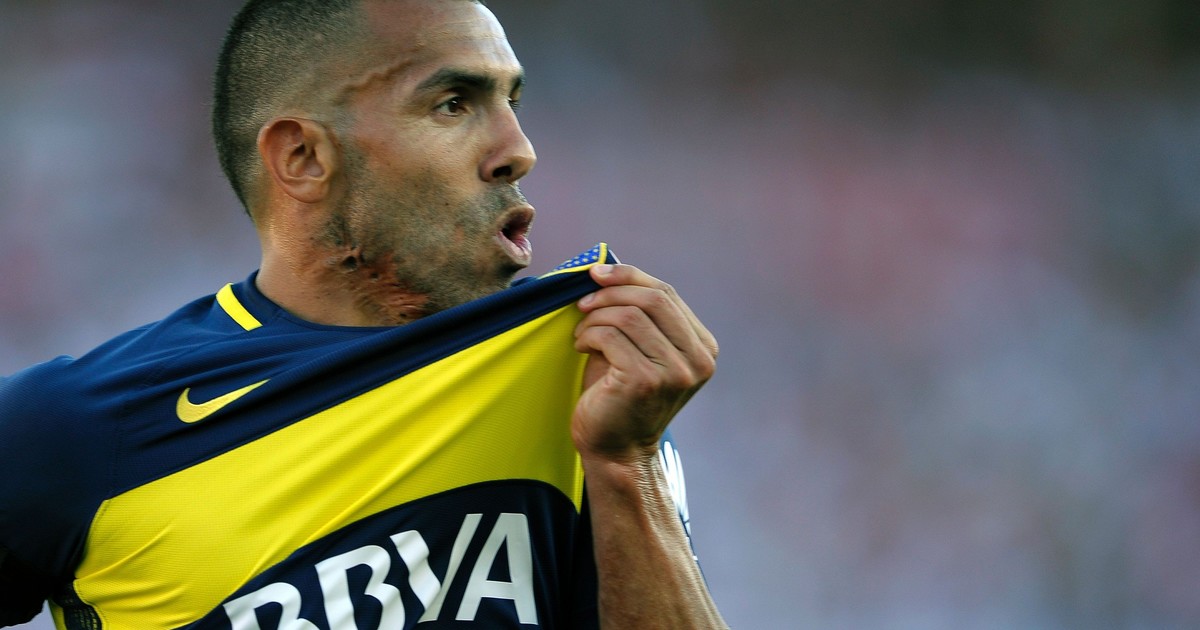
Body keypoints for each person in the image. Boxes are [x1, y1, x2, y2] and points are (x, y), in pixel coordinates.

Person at [0, 0, 727, 628]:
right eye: (453, 104)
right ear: (304, 157)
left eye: (513, 102)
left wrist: (627, 466)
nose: (519, 151)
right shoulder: (77, 425)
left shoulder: (582, 387)